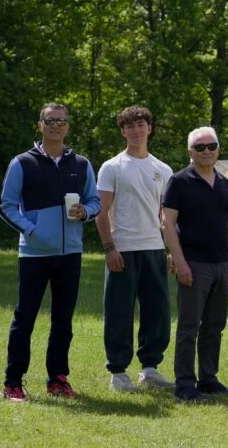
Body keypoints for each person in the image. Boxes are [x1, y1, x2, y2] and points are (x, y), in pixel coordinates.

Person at [0, 103, 100, 401]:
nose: (56, 125)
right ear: (39, 125)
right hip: (34, 254)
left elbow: (95, 201)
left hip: (71, 254)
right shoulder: (22, 163)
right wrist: (31, 229)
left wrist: (86, 212)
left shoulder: (81, 164)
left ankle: (57, 379)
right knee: (24, 319)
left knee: (63, 320)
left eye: (61, 121)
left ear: (68, 126)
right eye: (50, 120)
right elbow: (6, 205)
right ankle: (12, 383)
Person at [95, 106, 175, 391]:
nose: (136, 130)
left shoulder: (163, 169)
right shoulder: (112, 166)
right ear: (123, 131)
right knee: (119, 311)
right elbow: (101, 212)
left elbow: (166, 217)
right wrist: (109, 248)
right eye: (130, 126)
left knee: (158, 311)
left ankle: (150, 369)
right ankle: (118, 372)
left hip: (154, 249)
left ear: (149, 128)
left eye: (141, 125)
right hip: (123, 250)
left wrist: (172, 252)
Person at [162, 126, 228, 401]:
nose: (206, 151)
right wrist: (180, 262)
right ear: (190, 153)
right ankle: (185, 385)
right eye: (200, 147)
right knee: (189, 326)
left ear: (218, 149)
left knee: (214, 325)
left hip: (221, 263)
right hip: (193, 264)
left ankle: (208, 379)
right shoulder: (179, 181)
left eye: (211, 146)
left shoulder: (224, 183)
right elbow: (168, 224)